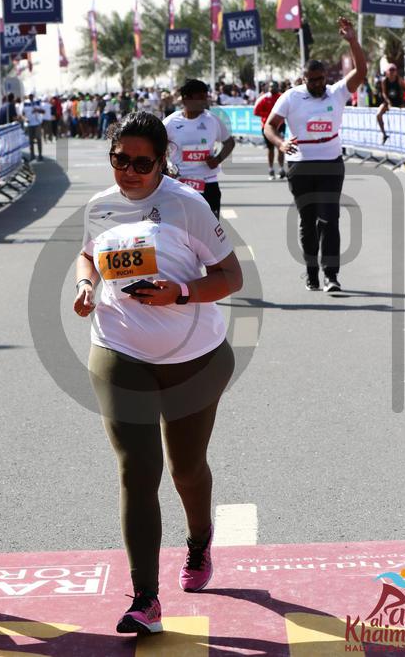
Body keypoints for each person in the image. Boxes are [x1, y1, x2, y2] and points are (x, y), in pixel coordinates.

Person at [74, 111, 242, 635]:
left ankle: (199, 540)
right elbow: (87, 255)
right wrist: (85, 285)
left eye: (141, 164)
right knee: (137, 470)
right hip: (118, 349)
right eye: (119, 159)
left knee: (185, 469)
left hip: (194, 359)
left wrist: (181, 292)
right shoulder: (100, 207)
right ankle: (145, 598)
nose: (128, 172)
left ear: (162, 161)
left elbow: (231, 275)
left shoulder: (187, 205)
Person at [264, 16, 367, 293]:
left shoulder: (336, 93)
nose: (319, 84)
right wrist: (280, 144)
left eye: (322, 79)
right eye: (313, 80)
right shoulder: (291, 97)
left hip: (331, 163)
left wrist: (352, 41)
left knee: (329, 219)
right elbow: (269, 126)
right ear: (304, 79)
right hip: (300, 166)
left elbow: (361, 71)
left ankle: (331, 275)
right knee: (308, 222)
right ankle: (312, 273)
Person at [163, 79, 235, 219]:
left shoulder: (212, 120)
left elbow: (229, 143)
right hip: (179, 182)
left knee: (210, 228)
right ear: (186, 99)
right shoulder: (170, 122)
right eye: (200, 97)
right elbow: (157, 146)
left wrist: (217, 159)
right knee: (180, 227)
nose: (204, 101)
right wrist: (167, 167)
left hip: (208, 182)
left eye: (206, 97)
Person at [254, 81, 286, 180]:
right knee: (270, 148)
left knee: (281, 146)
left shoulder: (282, 97)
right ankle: (271, 169)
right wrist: (268, 115)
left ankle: (281, 168)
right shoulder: (264, 98)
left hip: (280, 125)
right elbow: (256, 111)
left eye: (274, 87)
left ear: (277, 87)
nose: (272, 88)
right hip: (267, 127)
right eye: (270, 87)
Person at [376, 64, 405, 144]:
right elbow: (384, 93)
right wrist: (389, 102)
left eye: (394, 70)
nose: (392, 72)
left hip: (398, 102)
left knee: (404, 117)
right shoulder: (384, 81)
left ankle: (404, 136)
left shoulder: (399, 79)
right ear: (387, 72)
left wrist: (404, 85)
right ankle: (384, 134)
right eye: (390, 70)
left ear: (396, 72)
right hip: (388, 102)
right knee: (378, 115)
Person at [23, 94, 44, 161]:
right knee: (30, 140)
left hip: (37, 123)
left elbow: (43, 111)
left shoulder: (37, 102)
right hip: (29, 124)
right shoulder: (25, 103)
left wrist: (37, 110)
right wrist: (25, 119)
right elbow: (22, 114)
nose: (30, 96)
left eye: (31, 95)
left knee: (38, 139)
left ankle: (40, 155)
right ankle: (32, 155)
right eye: (29, 95)